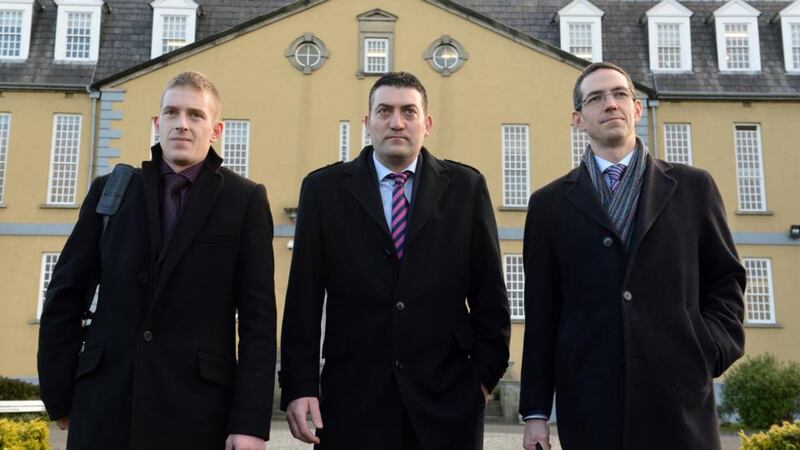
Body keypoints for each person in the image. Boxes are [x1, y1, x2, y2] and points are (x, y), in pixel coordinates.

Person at [37, 71, 276, 450]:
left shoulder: (244, 201)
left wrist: (250, 422)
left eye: (196, 115)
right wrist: (60, 392)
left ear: (216, 130)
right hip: (105, 407)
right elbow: (64, 295)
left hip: (198, 413)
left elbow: (258, 320)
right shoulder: (111, 192)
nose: (182, 124)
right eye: (172, 112)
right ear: (157, 122)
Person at [519, 62, 746, 450]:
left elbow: (726, 281)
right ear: (578, 119)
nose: (610, 104)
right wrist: (536, 411)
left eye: (619, 94)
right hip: (590, 401)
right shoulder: (549, 205)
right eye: (595, 98)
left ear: (637, 109)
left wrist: (706, 350)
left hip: (679, 399)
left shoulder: (694, 188)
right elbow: (542, 313)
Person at [279, 71, 511, 450]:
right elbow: (302, 300)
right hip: (351, 401)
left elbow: (491, 299)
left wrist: (481, 381)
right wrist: (299, 385)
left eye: (409, 111)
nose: (397, 122)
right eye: (384, 111)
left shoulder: (466, 189)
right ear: (367, 123)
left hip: (448, 401)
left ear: (427, 123)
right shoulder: (323, 190)